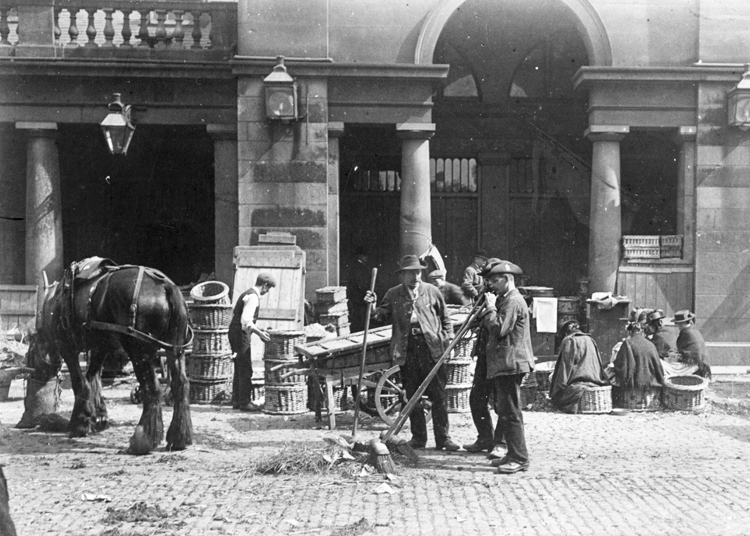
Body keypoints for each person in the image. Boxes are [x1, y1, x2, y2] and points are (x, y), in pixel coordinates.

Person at [365, 254, 459, 451]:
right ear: (402, 275)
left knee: (439, 396)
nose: (415, 276)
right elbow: (380, 316)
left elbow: (445, 318)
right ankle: (419, 438)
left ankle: (443, 439)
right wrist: (372, 306)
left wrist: (448, 339)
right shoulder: (393, 294)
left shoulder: (432, 291)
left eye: (417, 272)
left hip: (432, 348)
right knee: (412, 396)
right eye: (410, 273)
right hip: (407, 350)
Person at [481, 260, 535, 474]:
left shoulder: (512, 301)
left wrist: (490, 308)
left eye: (495, 280)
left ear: (507, 279)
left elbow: (499, 329)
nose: (492, 285)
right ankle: (512, 454)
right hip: (506, 363)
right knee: (505, 411)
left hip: (511, 364)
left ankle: (520, 458)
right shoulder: (508, 299)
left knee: (511, 413)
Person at [462, 258, 507, 459]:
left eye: (490, 279)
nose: (487, 283)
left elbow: (500, 327)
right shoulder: (486, 295)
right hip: (484, 354)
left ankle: (502, 444)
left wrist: (491, 306)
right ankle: (485, 438)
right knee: (477, 398)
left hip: (501, 357)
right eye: (486, 279)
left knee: (502, 403)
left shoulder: (508, 298)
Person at [229, 273, 276, 411]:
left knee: (239, 366)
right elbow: (246, 322)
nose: (267, 292)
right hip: (240, 333)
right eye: (268, 288)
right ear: (265, 285)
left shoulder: (247, 293)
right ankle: (244, 402)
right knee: (245, 367)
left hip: (235, 332)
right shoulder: (253, 297)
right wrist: (260, 333)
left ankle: (237, 400)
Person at [549, 320, 609, 413]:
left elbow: (565, 368)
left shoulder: (569, 340)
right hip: (595, 381)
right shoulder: (590, 340)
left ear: (566, 332)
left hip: (577, 384)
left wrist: (556, 389)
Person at [608, 309, 665, 405]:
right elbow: (658, 368)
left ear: (630, 332)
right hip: (651, 385)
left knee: (609, 372)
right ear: (642, 331)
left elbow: (621, 366)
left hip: (633, 387)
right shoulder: (650, 344)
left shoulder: (627, 343)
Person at [673, 310, 712, 378]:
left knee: (671, 368)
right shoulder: (694, 330)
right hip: (703, 364)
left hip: (695, 365)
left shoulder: (686, 333)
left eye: (678, 324)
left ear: (682, 323)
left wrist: (674, 355)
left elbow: (685, 352)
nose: (678, 326)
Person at [347, 247, 372, 333]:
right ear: (360, 256)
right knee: (360, 320)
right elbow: (360, 284)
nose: (366, 258)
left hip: (358, 298)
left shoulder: (358, 266)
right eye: (365, 256)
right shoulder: (358, 268)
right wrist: (366, 292)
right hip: (359, 299)